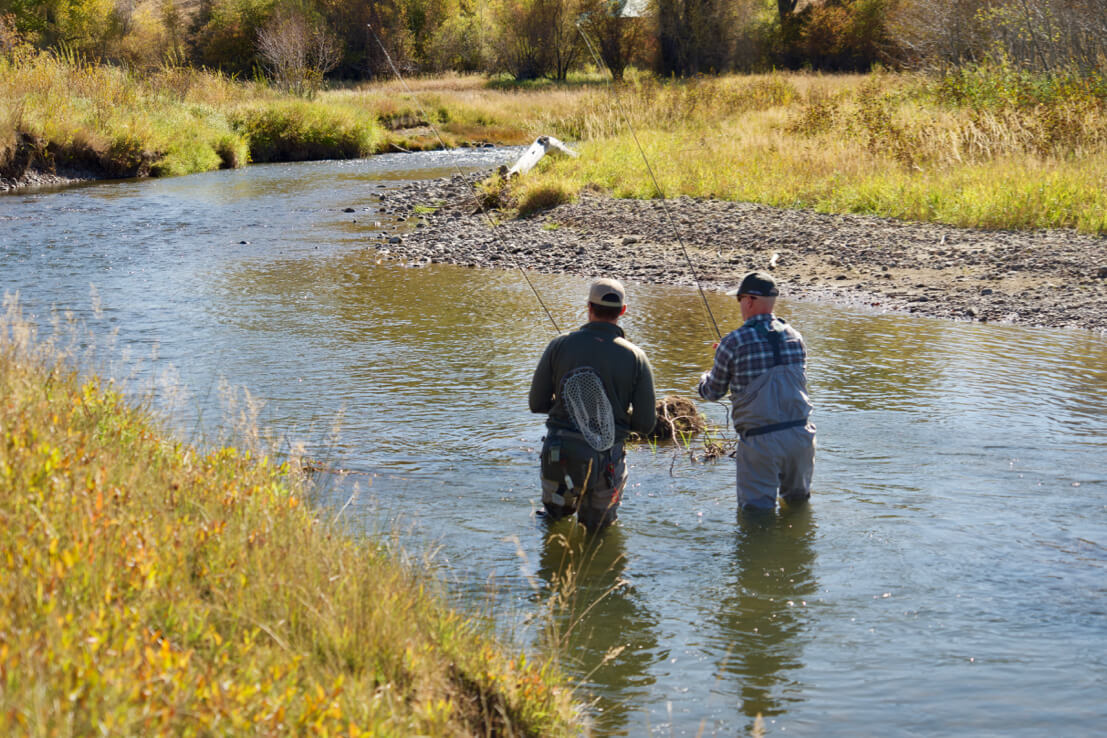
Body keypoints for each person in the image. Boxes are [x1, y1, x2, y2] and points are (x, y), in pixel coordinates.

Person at [529, 278, 656, 529]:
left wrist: (573, 405)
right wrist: (615, 415)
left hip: (561, 453)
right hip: (607, 460)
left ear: (588, 306)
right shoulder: (636, 356)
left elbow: (536, 403)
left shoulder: (559, 345)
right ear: (623, 311)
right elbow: (645, 424)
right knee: (599, 533)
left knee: (554, 525)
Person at [697, 272, 815, 512]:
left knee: (756, 518)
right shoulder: (796, 338)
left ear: (749, 300)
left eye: (739, 299)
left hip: (761, 442)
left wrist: (708, 372)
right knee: (799, 507)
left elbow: (712, 392)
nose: (740, 305)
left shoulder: (733, 343)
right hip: (801, 437)